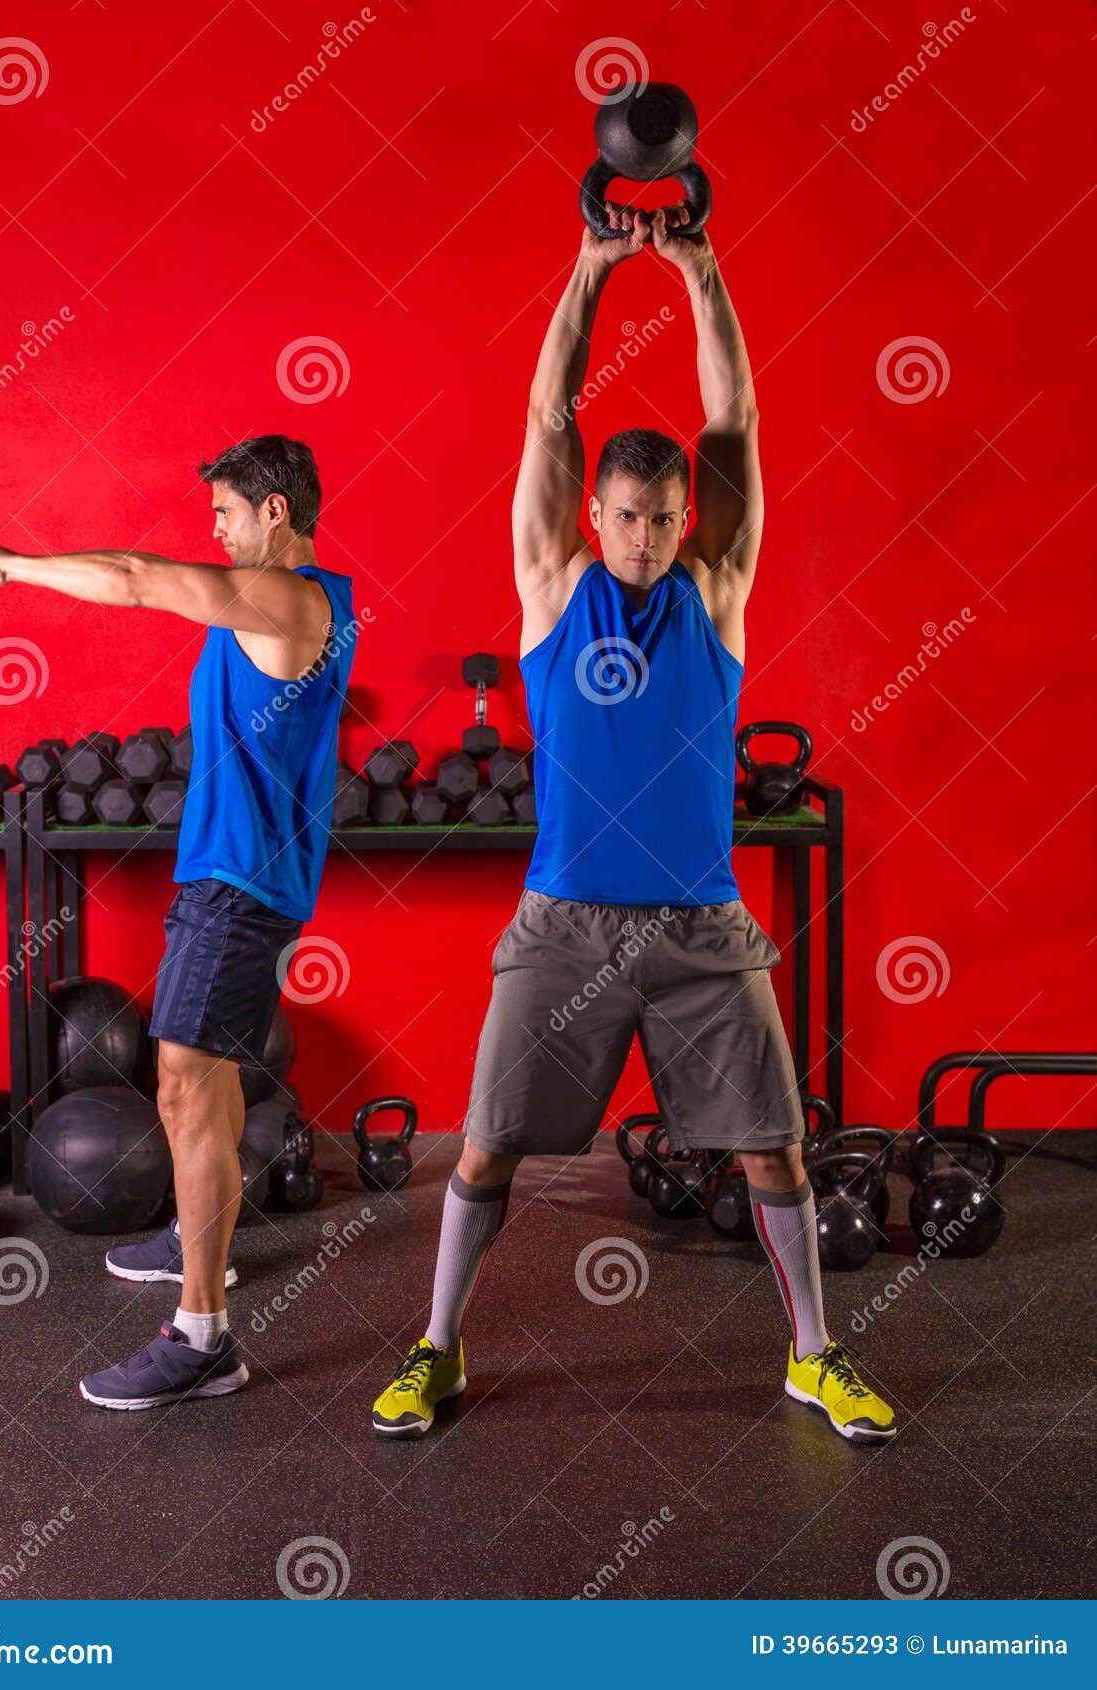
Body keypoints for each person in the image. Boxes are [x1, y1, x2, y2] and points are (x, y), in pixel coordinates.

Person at [371, 204, 897, 1445]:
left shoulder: (714, 596)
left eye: (665, 516)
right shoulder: (551, 595)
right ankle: (435, 1348)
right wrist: (593, 267)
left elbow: (736, 423)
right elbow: (545, 418)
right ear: (592, 517)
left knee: (771, 1148)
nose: (648, 536)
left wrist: (701, 267)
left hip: (701, 925)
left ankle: (812, 1356)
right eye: (626, 516)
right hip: (564, 921)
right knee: (489, 1145)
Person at [0, 434, 356, 1410]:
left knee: (180, 1085)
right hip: (217, 872)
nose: (213, 530)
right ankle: (195, 1230)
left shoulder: (291, 601)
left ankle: (203, 1335)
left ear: (273, 512)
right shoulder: (275, 603)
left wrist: (7, 566)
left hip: (239, 884)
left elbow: (137, 578)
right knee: (199, 1079)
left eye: (224, 512)